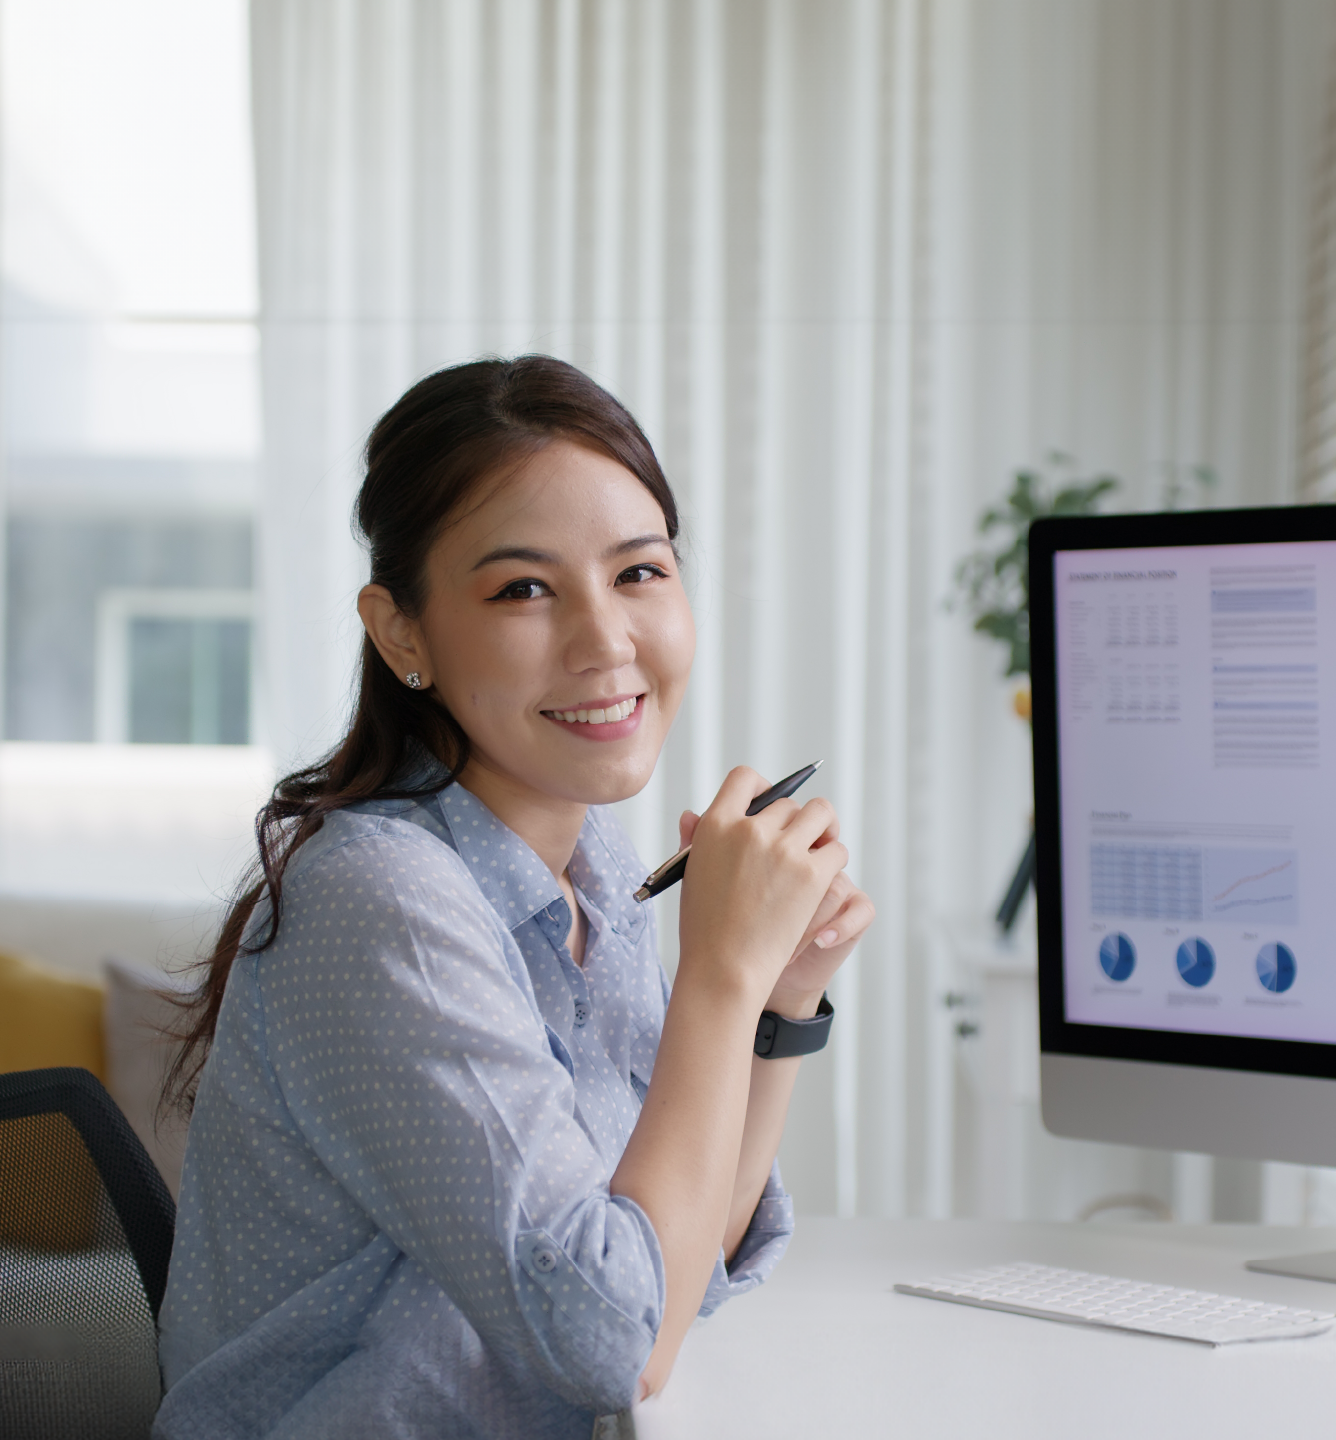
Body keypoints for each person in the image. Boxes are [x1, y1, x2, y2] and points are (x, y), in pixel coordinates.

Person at [153, 355, 870, 1438]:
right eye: (523, 589)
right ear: (403, 634)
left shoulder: (586, 869)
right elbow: (614, 1344)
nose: (605, 641)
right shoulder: (379, 897)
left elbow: (677, 1272)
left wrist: (775, 1003)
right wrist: (718, 978)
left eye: (639, 573)